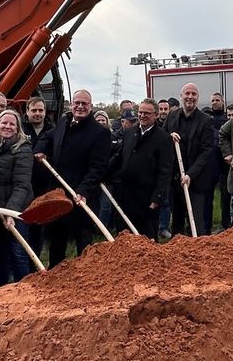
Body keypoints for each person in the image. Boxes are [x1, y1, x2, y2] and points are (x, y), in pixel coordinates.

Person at [35, 89, 113, 266]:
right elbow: (48, 137)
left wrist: (83, 190)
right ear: (71, 104)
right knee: (57, 242)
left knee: (83, 243)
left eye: (84, 103)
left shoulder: (100, 133)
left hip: (81, 197)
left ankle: (86, 280)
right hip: (59, 194)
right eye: (77, 103)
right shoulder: (64, 122)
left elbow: (98, 168)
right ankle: (56, 277)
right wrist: (40, 151)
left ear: (91, 106)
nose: (80, 106)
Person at [0, 110, 34, 284]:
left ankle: (22, 289)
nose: (7, 127)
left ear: (18, 129)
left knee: (17, 250)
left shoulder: (23, 149)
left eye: (12, 124)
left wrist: (10, 212)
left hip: (18, 209)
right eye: (4, 123)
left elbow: (22, 185)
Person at [110, 99, 173, 239]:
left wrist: (157, 197)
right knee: (124, 237)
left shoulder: (163, 139)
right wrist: (105, 175)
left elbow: (165, 171)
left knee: (147, 238)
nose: (142, 116)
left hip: (146, 199)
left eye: (147, 113)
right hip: (125, 195)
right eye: (140, 112)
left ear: (156, 115)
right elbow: (119, 158)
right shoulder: (129, 133)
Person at [163, 83, 215, 234]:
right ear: (181, 96)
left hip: (195, 180)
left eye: (193, 94)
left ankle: (200, 250)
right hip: (176, 178)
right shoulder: (172, 116)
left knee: (196, 221)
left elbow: (206, 152)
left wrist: (190, 175)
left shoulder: (206, 120)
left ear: (197, 98)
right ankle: (177, 251)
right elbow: (161, 138)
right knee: (177, 220)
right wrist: (168, 137)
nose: (190, 97)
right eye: (187, 93)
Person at [22, 96, 53, 257]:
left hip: (43, 185)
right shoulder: (19, 128)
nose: (37, 113)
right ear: (27, 111)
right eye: (34, 110)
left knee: (38, 227)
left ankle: (34, 260)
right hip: (22, 183)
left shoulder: (52, 130)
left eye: (40, 110)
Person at [207, 92, 230, 232]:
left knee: (225, 196)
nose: (214, 102)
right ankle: (207, 225)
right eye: (212, 100)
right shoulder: (207, 119)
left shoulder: (227, 119)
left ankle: (226, 224)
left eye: (217, 100)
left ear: (223, 102)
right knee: (208, 195)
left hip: (224, 163)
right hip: (211, 163)